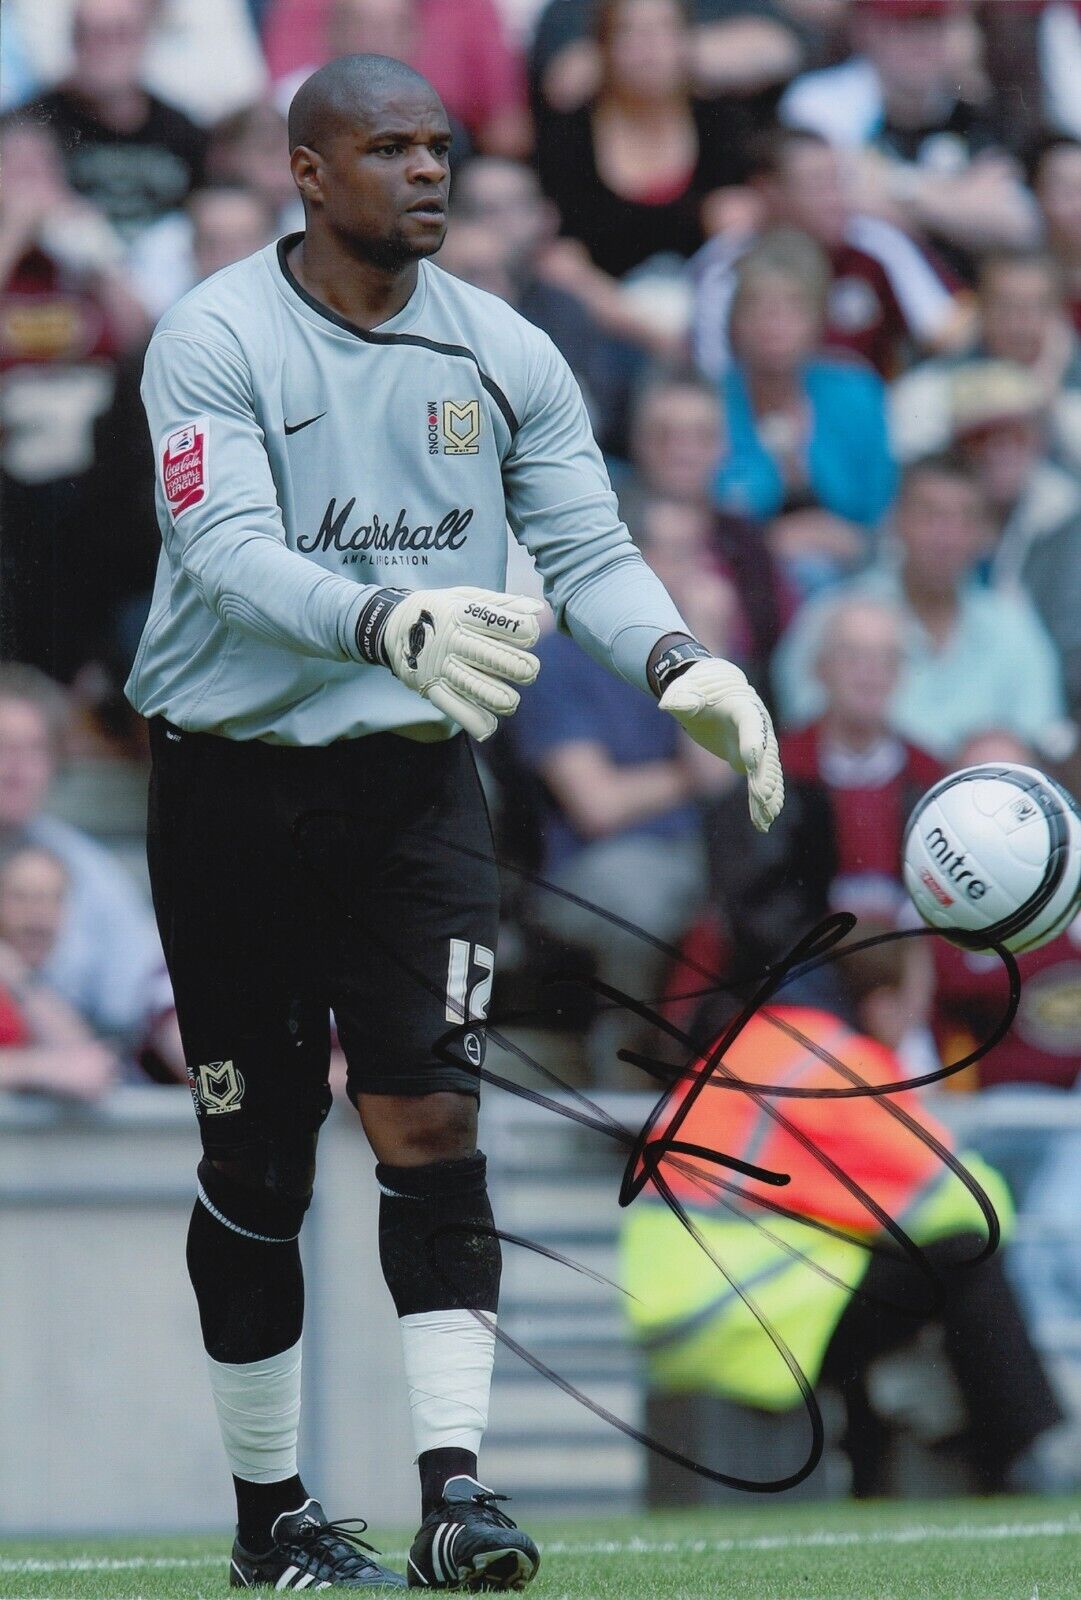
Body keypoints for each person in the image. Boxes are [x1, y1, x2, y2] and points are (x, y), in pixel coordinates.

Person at [125, 51, 783, 1591]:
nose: (426, 172)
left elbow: (590, 548)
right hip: (228, 781)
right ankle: (268, 1520)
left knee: (435, 1122)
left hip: (414, 782)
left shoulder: (507, 350)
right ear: (306, 171)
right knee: (260, 1159)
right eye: (390, 148)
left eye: (441, 147)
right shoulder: (213, 336)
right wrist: (387, 620)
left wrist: (688, 662)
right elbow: (221, 547)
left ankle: (455, 1497)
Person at [619, 939, 1065, 1503]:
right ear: (882, 1004)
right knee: (964, 1254)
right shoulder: (838, 1059)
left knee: (878, 1279)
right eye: (915, 1007)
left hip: (687, 1312)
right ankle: (1027, 1454)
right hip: (745, 1311)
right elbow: (959, 1199)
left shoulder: (760, 1040)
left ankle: (879, 1476)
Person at [507, 494, 736, 1086]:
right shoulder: (560, 657)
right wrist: (690, 777)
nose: (691, 574)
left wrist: (703, 644)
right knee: (643, 901)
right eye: (675, 554)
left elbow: (721, 770)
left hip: (691, 854)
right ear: (631, 561)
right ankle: (625, 1081)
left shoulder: (688, 660)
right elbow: (598, 805)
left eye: (697, 556)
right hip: (594, 868)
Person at [772, 453, 1071, 759]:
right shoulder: (834, 617)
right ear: (895, 521)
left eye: (964, 519)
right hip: (864, 800)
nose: (946, 536)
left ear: (986, 533)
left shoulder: (1013, 625)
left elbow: (1042, 740)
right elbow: (806, 738)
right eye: (929, 515)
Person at [691, 125, 972, 383]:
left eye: (839, 182)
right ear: (770, 192)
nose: (836, 200)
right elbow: (710, 374)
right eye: (818, 186)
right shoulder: (727, 265)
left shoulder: (875, 242)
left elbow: (948, 332)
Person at [0, 665, 178, 1060]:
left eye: (34, 749)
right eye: (3, 746)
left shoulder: (89, 870)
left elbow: (138, 1001)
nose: (17, 768)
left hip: (71, 1101)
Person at [779, 0, 1038, 264]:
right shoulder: (818, 99)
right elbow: (842, 203)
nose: (921, 42)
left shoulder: (972, 109)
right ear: (866, 30)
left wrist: (898, 187)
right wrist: (962, 202)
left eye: (932, 25)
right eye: (904, 27)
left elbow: (1018, 225)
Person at [714, 228, 897, 596]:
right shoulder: (710, 403)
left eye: (791, 310)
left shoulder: (856, 394)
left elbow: (886, 512)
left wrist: (851, 541)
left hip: (858, 579)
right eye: (757, 309)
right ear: (734, 324)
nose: (773, 326)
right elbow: (713, 519)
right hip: (740, 585)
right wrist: (771, 544)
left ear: (818, 322)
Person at [535, 0, 761, 280]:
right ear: (602, 47)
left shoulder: (723, 124)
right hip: (599, 311)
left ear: (688, 42)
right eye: (628, 31)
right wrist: (634, 319)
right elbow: (561, 260)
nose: (649, 46)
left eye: (664, 29)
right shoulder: (567, 136)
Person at [15, 0, 208, 245]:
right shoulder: (32, 126)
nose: (105, 48)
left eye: (120, 33)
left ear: (145, 37)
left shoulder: (185, 133)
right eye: (91, 33)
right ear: (73, 40)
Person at [0, 844, 120, 1100]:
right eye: (21, 897)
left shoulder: (28, 983)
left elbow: (85, 1063)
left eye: (52, 899)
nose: (38, 914)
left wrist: (20, 979)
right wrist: (40, 1068)